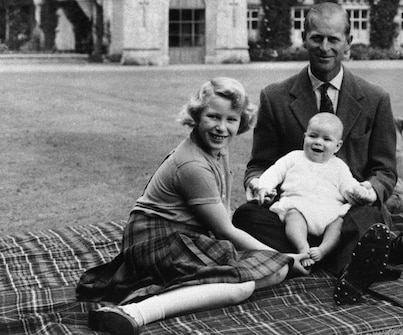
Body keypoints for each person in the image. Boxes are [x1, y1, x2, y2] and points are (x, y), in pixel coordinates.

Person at [77, 78, 307, 335]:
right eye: (213, 117)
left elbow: (223, 212)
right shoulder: (192, 165)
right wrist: (285, 256)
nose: (222, 127)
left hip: (184, 237)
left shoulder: (217, 148)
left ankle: (176, 290)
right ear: (197, 116)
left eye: (231, 119)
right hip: (155, 240)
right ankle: (135, 312)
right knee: (244, 284)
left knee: (272, 272)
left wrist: (277, 261)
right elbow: (226, 231)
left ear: (241, 121)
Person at [232, 2, 403, 305]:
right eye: (317, 38)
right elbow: (260, 164)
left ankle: (335, 262)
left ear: (348, 43)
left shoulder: (375, 99)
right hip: (294, 217)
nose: (324, 47)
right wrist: (256, 185)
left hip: (348, 215)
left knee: (370, 216)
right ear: (304, 37)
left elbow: (386, 171)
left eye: (333, 39)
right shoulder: (275, 97)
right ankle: (358, 257)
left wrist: (369, 191)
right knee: (245, 217)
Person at [255, 112, 375, 268]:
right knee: (293, 217)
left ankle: (324, 250)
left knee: (338, 223)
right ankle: (302, 248)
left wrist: (358, 191)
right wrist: (264, 186)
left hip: (329, 212)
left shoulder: (338, 166)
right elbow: (274, 172)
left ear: (338, 146)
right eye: (313, 136)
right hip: (300, 206)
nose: (318, 142)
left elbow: (348, 185)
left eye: (326, 139)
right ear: (304, 137)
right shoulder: (293, 158)